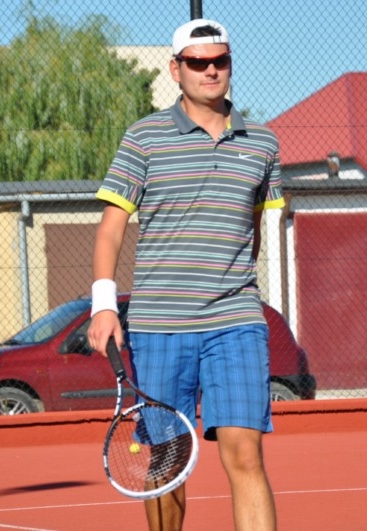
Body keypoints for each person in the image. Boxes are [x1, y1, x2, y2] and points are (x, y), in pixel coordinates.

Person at [87, 18, 284, 531]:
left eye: (220, 60)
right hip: (159, 327)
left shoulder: (263, 144)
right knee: (168, 460)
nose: (210, 70)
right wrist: (104, 306)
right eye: (198, 62)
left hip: (236, 322)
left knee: (246, 455)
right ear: (176, 69)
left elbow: (253, 231)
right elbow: (110, 230)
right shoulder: (143, 137)